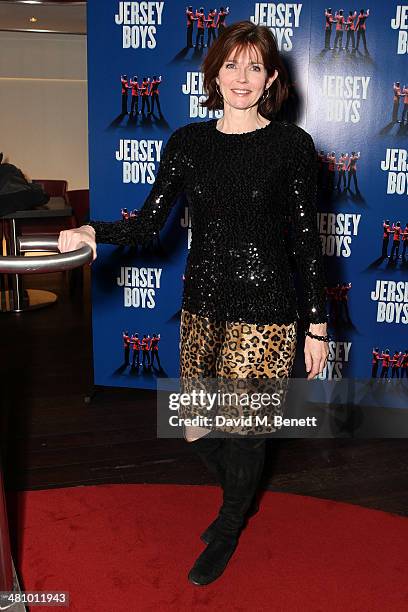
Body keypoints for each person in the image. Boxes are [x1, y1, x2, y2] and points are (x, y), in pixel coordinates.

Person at [58, 21, 329, 586]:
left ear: (271, 78)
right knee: (197, 427)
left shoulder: (291, 146)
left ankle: (229, 526)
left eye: (255, 66)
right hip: (202, 304)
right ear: (214, 74)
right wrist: (92, 229)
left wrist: (317, 327)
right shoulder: (187, 142)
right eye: (232, 64)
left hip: (268, 308)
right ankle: (238, 499)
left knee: (247, 431)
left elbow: (307, 242)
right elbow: (150, 223)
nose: (242, 77)